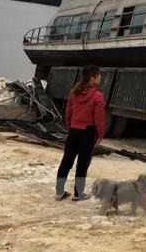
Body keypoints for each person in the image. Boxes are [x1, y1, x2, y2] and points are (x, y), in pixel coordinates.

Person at [55, 64, 105, 201]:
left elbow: (68, 113)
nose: (100, 77)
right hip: (87, 133)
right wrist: (100, 135)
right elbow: (99, 118)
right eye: (99, 74)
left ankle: (59, 192)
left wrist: (70, 127)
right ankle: (78, 194)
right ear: (94, 77)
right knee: (82, 164)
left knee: (66, 161)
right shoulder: (97, 96)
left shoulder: (74, 92)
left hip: (74, 131)